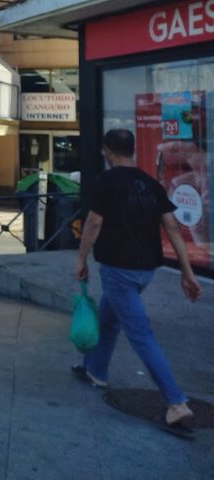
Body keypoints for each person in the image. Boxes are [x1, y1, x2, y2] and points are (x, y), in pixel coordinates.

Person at [73, 129, 202, 431]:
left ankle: (176, 403)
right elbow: (172, 228)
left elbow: (93, 222)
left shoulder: (106, 182)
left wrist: (81, 259)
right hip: (146, 272)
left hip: (119, 270)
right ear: (131, 150)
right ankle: (94, 369)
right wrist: (187, 272)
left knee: (140, 334)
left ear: (107, 151)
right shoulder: (150, 183)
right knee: (109, 317)